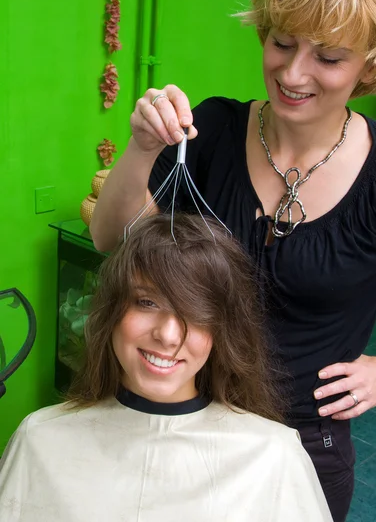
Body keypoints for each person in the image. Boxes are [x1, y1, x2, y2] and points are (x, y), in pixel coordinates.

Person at [89, 0, 376, 522]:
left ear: (370, 64)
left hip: (308, 442)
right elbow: (112, 238)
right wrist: (140, 148)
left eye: (329, 57)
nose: (293, 72)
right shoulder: (209, 132)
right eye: (282, 42)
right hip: (185, 415)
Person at [0, 214, 332, 522]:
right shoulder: (41, 439)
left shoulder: (273, 455)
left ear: (222, 330)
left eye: (196, 312)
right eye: (147, 302)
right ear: (112, 312)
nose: (168, 335)